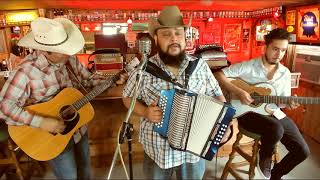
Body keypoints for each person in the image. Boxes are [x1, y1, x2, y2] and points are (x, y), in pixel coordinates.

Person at [0, 17, 126, 179]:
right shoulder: (26, 71)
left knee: (85, 171)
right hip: (50, 137)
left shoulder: (69, 59)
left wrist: (112, 80)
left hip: (78, 128)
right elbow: (4, 107)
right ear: (46, 50)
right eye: (63, 49)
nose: (69, 52)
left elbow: (86, 81)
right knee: (69, 177)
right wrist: (43, 122)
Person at [122, 6, 226, 179]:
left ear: (185, 37)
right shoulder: (144, 69)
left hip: (193, 150)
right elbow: (126, 97)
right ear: (156, 39)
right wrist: (145, 112)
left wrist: (224, 121)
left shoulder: (199, 66)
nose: (173, 39)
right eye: (166, 34)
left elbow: (216, 94)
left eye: (178, 33)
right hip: (157, 150)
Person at [214, 28, 310, 180]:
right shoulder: (249, 66)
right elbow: (219, 75)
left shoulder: (285, 73)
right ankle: (264, 157)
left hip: (273, 113)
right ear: (266, 47)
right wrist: (239, 92)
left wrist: (289, 104)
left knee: (303, 151)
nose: (279, 54)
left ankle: (276, 174)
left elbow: (281, 103)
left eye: (283, 51)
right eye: (275, 49)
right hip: (247, 114)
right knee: (276, 128)